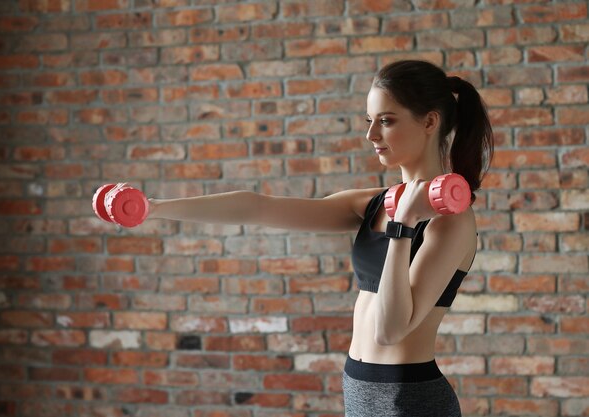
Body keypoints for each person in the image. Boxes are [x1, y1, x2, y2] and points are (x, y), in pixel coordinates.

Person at [147, 59, 494, 417]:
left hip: (411, 400)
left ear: (430, 121)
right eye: (368, 121)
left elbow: (390, 331)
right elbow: (258, 208)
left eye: (386, 121)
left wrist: (403, 226)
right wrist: (153, 207)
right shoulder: (374, 203)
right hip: (359, 388)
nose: (371, 135)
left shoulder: (450, 221)